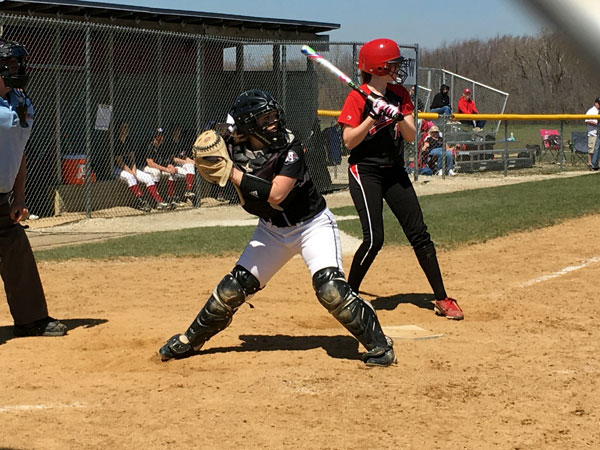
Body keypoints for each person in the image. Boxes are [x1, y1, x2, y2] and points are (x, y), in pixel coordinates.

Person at [158, 89, 396, 367]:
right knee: (231, 289)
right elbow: (211, 142)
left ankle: (380, 346)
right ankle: (191, 339)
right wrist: (203, 156)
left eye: (274, 116)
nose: (274, 122)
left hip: (312, 226)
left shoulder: (290, 147)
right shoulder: (234, 144)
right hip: (272, 230)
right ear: (248, 125)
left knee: (330, 288)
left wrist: (232, 172)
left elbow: (276, 194)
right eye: (265, 118)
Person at [337, 38, 463, 320]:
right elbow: (348, 141)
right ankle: (347, 298)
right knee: (374, 239)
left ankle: (441, 298)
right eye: (393, 64)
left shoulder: (399, 93)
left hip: (394, 170)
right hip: (365, 171)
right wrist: (372, 117)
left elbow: (410, 136)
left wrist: (396, 115)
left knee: (419, 233)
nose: (397, 68)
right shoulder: (357, 97)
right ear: (377, 67)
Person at [0, 38, 67, 337]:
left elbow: (19, 152)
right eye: (11, 64)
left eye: (19, 63)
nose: (18, 69)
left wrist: (20, 197)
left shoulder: (22, 103)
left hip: (2, 199)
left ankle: (30, 319)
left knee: (15, 249)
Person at [113, 121, 163, 212]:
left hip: (130, 167)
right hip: (118, 168)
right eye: (124, 128)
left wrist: (134, 170)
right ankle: (142, 202)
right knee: (130, 177)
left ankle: (158, 201)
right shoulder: (116, 142)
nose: (126, 130)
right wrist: (131, 172)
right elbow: (120, 162)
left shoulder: (129, 140)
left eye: (127, 128)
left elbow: (132, 159)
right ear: (119, 130)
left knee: (148, 177)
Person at [141, 127, 172, 209]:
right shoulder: (150, 145)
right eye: (158, 136)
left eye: (162, 136)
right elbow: (150, 163)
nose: (161, 138)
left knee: (172, 173)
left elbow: (165, 160)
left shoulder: (161, 147)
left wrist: (169, 166)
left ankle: (171, 198)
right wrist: (165, 169)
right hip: (144, 167)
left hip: (156, 168)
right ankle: (157, 200)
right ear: (154, 137)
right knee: (156, 172)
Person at [164, 124, 196, 203]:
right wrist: (186, 161)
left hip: (180, 165)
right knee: (175, 173)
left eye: (178, 131)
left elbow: (184, 155)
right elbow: (174, 159)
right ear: (171, 132)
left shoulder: (180, 142)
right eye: (175, 131)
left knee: (190, 165)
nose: (177, 132)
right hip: (172, 165)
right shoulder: (169, 143)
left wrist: (191, 161)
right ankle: (173, 196)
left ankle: (187, 191)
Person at [584, 97, 600, 169]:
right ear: (595, 103)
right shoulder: (591, 110)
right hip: (592, 132)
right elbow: (586, 120)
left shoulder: (599, 111)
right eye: (598, 103)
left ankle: (597, 164)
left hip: (598, 133)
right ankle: (590, 163)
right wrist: (595, 123)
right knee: (591, 149)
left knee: (598, 149)